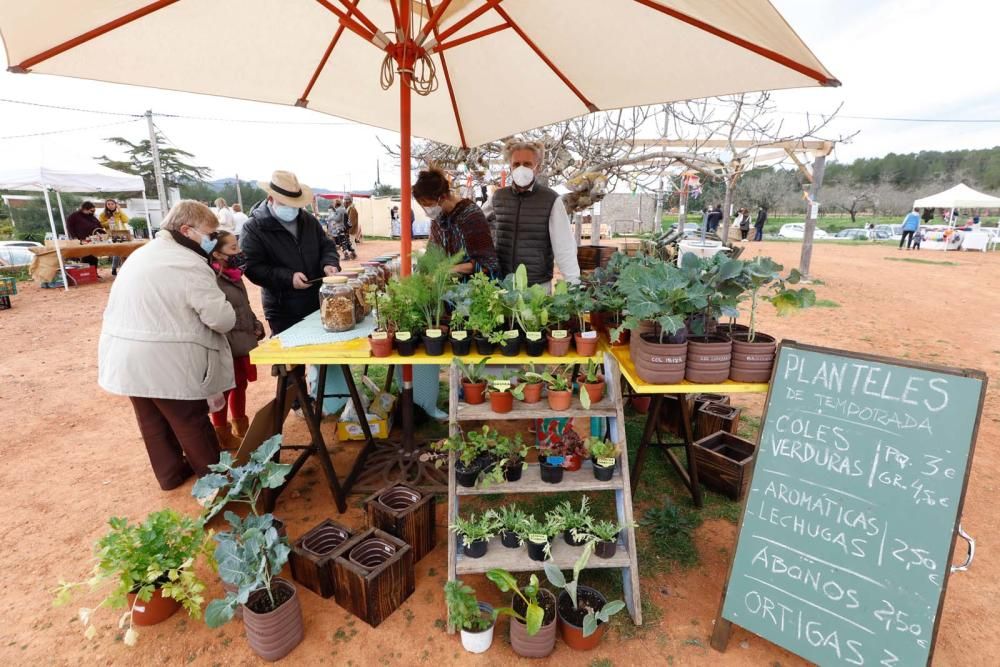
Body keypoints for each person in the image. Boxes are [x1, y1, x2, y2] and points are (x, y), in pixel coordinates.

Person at [97, 200, 235, 490]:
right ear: (186, 230)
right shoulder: (188, 263)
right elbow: (221, 319)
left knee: (152, 421)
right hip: (165, 358)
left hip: (125, 356)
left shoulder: (142, 253)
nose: (213, 240)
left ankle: (170, 475)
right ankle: (218, 484)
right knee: (190, 420)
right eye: (210, 234)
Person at [241, 170, 341, 335]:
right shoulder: (253, 228)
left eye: (296, 205)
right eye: (286, 204)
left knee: (321, 352)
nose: (293, 210)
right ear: (271, 199)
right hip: (282, 308)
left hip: (316, 301)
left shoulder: (309, 220)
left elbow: (327, 245)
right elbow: (252, 267)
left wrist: (329, 263)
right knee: (290, 358)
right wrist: (288, 277)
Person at [482, 140, 580, 287]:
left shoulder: (551, 199)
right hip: (503, 282)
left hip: (536, 284)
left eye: (527, 164)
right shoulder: (497, 197)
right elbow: (476, 222)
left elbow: (564, 245)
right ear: (510, 167)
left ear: (537, 167)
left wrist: (573, 284)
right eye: (516, 164)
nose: (521, 168)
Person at [208, 230, 264, 449]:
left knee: (240, 385)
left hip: (242, 340)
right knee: (223, 389)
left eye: (238, 246)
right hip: (226, 344)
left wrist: (254, 324)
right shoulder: (212, 278)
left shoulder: (233, 275)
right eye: (233, 248)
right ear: (217, 254)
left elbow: (243, 306)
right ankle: (222, 433)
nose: (239, 252)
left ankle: (241, 426)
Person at [413, 166, 500, 277]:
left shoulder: (471, 216)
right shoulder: (438, 219)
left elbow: (488, 263)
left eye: (429, 205)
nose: (427, 210)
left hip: (474, 286)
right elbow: (432, 252)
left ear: (443, 197)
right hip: (444, 287)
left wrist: (452, 269)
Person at [67, 201, 104, 267]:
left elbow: (99, 226)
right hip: (82, 240)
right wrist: (74, 237)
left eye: (93, 211)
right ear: (84, 209)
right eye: (90, 211)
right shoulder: (74, 216)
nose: (92, 212)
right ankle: (89, 273)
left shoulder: (91, 216)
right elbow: (69, 227)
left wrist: (101, 233)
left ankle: (93, 273)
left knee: (93, 257)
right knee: (86, 257)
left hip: (93, 240)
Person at [100, 199, 131, 275]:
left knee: (126, 251)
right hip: (112, 234)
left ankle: (127, 268)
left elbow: (126, 220)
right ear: (106, 205)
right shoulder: (103, 214)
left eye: (112, 204)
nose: (110, 205)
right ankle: (114, 268)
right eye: (108, 204)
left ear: (115, 204)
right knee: (117, 252)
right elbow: (101, 224)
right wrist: (109, 221)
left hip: (123, 233)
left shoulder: (118, 212)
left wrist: (120, 210)